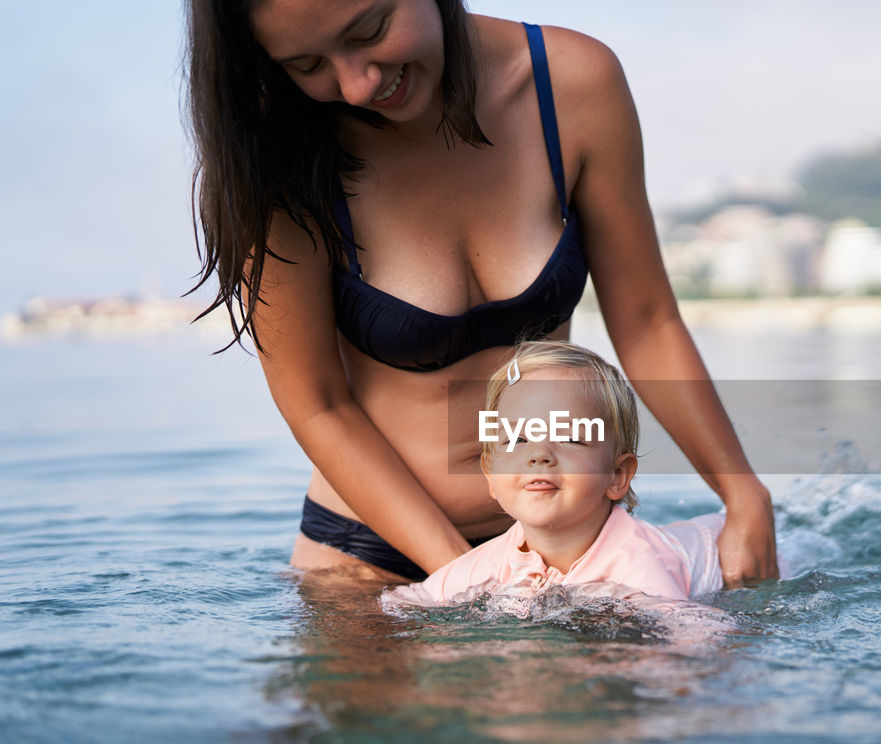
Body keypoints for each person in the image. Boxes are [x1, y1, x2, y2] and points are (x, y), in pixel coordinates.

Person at [185, 1, 776, 586]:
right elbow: (318, 405)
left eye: (371, 31)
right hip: (369, 563)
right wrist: (472, 581)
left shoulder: (572, 85)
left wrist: (742, 493)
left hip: (573, 548)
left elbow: (647, 322)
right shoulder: (274, 152)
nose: (357, 84)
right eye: (307, 64)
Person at [383, 341, 726, 608]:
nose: (539, 455)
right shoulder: (484, 565)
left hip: (722, 550)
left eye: (569, 437)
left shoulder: (638, 568)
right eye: (518, 439)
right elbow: (404, 604)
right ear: (490, 473)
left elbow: (688, 653)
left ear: (617, 474)